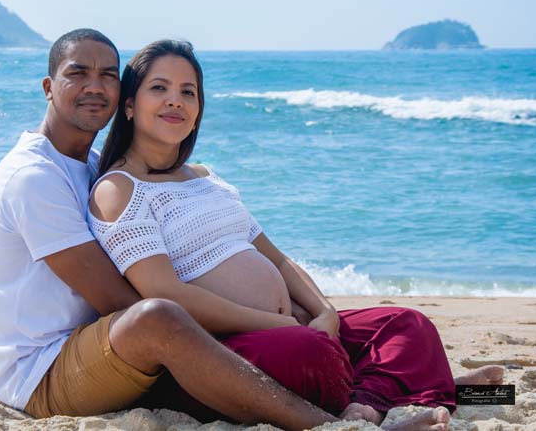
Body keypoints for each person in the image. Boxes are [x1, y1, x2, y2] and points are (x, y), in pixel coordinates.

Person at [89, 39, 504, 430]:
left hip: (290, 327)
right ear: (129, 105)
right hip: (224, 349)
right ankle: (424, 394)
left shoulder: (205, 178)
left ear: (199, 108)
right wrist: (279, 325)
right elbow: (167, 294)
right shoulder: (120, 189)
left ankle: (373, 405)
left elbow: (275, 256)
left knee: (405, 323)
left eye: (188, 91)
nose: (175, 100)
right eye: (159, 87)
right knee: (314, 355)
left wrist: (324, 312)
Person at [0, 28, 346, 431]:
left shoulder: (93, 164)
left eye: (109, 76)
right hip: (42, 370)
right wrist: (262, 320)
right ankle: (320, 424)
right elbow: (118, 298)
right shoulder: (33, 176)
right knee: (155, 315)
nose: (95, 87)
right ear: (49, 87)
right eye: (78, 73)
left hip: (101, 342)